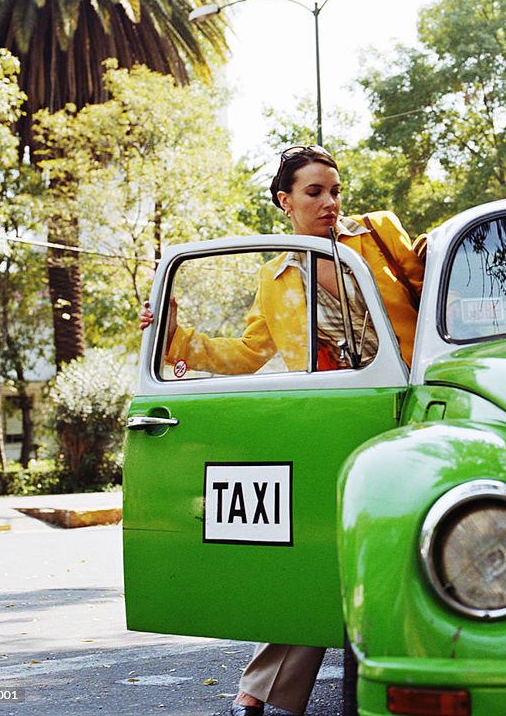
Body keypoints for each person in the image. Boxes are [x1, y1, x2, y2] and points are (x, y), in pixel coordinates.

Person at [140, 144, 424, 716]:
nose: (329, 203)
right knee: (319, 549)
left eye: (334, 190)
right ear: (284, 201)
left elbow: (440, 288)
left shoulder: (379, 236)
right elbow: (246, 355)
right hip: (335, 417)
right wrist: (173, 335)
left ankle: (269, 692)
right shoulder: (275, 278)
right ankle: (263, 694)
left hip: (415, 407)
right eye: (314, 192)